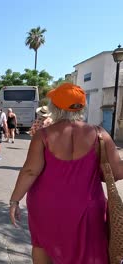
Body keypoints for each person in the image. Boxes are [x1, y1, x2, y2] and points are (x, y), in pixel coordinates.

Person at [9, 83, 123, 263]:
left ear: (55, 107)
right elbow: (117, 172)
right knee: (89, 250)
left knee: (42, 245)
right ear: (82, 107)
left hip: (46, 205)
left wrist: (14, 200)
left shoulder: (43, 135)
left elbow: (30, 171)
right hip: (88, 206)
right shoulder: (99, 134)